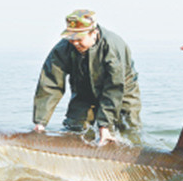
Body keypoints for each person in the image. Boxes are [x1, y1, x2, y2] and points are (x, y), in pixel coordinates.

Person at [33, 9, 142, 145]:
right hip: (84, 92)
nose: (75, 43)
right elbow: (50, 83)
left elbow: (114, 88)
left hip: (122, 92)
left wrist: (104, 126)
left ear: (94, 33)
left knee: (128, 134)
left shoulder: (112, 47)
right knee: (75, 130)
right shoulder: (63, 48)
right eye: (71, 38)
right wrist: (40, 121)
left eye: (79, 39)